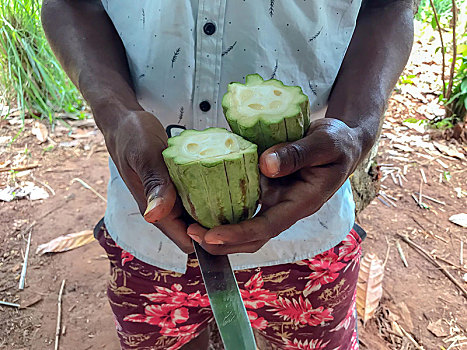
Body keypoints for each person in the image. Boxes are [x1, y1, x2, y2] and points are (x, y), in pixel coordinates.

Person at [42, 0, 414, 349]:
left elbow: (389, 5)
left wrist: (357, 128)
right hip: (147, 234)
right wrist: (113, 113)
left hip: (308, 230)